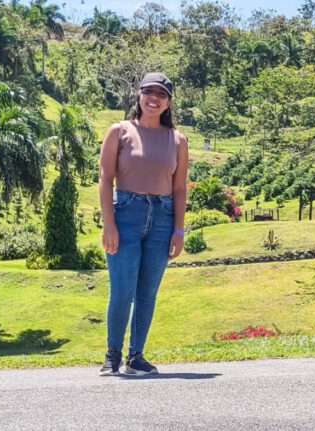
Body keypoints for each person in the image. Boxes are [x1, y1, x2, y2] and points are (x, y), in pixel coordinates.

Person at [97, 72, 188, 376]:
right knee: (122, 290)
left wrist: (178, 229)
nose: (154, 98)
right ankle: (112, 355)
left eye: (161, 94)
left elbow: (179, 189)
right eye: (148, 92)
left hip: (162, 219)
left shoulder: (177, 140)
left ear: (168, 102)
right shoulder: (119, 131)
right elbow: (105, 179)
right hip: (126, 214)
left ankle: (136, 356)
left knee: (147, 293)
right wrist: (108, 224)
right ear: (138, 95)